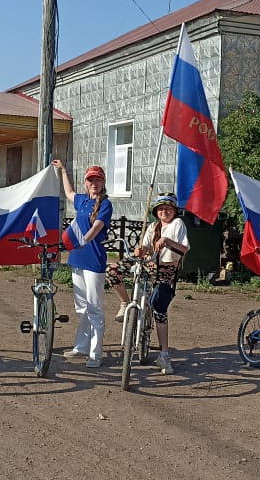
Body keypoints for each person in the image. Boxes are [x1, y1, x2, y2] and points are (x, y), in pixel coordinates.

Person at [109, 193, 189, 375]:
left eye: (168, 208)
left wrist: (166, 241)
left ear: (174, 211)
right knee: (112, 271)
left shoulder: (178, 224)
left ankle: (164, 354)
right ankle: (125, 303)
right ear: (155, 211)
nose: (164, 211)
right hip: (147, 265)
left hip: (166, 271)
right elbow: (145, 248)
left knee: (159, 309)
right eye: (161, 208)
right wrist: (141, 250)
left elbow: (183, 249)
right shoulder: (152, 226)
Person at [51, 160, 113, 369]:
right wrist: (63, 171)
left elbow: (97, 228)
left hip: (93, 260)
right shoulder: (83, 201)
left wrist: (82, 241)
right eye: (90, 180)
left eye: (98, 180)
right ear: (86, 183)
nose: (94, 183)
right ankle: (82, 346)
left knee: (94, 308)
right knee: (81, 307)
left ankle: (96, 353)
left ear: (103, 183)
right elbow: (69, 193)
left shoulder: (105, 204)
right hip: (77, 258)